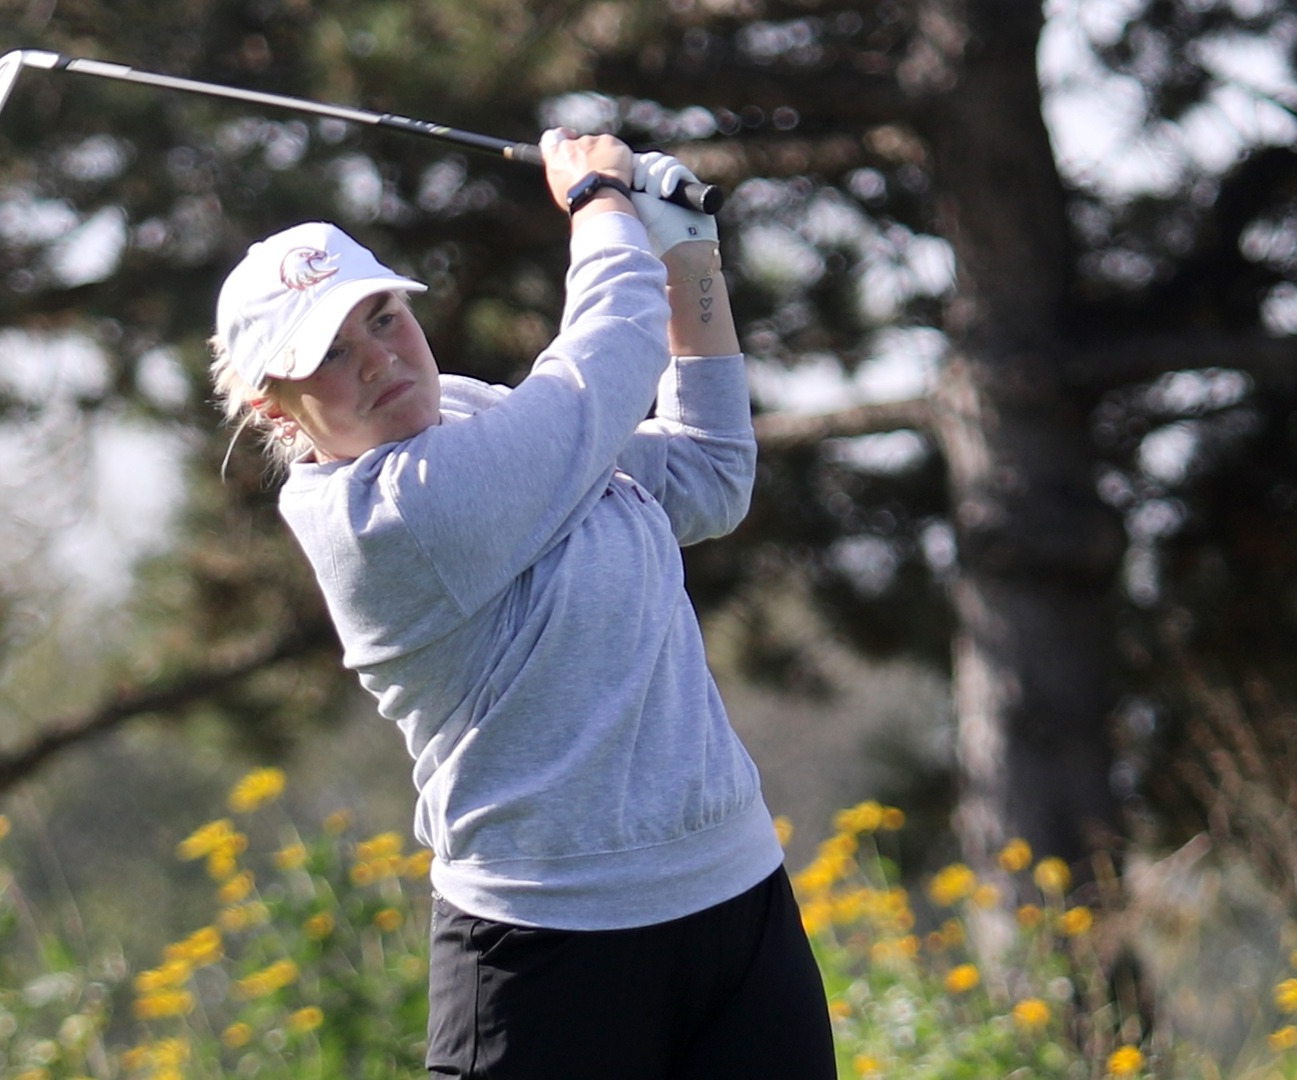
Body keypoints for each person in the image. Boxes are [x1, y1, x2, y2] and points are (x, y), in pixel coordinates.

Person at [208, 130, 835, 1078]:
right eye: (330, 353)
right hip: (547, 946)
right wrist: (596, 201)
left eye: (381, 317)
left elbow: (708, 474)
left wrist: (689, 252)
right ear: (274, 406)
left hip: (734, 901)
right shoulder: (393, 519)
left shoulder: (471, 412)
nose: (378, 358)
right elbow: (606, 361)